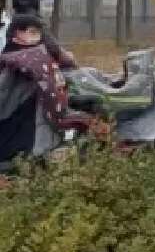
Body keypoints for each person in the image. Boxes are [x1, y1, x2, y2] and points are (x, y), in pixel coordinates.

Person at [0, 15, 93, 156]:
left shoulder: (39, 60)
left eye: (38, 33)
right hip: (22, 142)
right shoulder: (14, 64)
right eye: (31, 32)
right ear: (16, 34)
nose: (37, 37)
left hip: (36, 137)